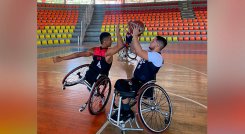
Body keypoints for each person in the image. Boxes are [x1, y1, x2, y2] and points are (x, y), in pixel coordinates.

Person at [111, 25, 168, 121]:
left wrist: (135, 36)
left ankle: (127, 112)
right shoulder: (150, 54)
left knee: (121, 85)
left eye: (153, 41)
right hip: (136, 81)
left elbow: (139, 51)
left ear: (158, 45)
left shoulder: (157, 57)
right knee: (120, 85)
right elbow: (134, 50)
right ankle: (123, 108)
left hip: (142, 84)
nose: (151, 41)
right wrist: (129, 36)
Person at [53, 25, 124, 86]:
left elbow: (77, 54)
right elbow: (120, 45)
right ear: (105, 41)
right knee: (107, 60)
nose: (111, 41)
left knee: (93, 67)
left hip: (89, 74)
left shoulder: (94, 50)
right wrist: (117, 32)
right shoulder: (108, 53)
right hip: (101, 79)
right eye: (110, 39)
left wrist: (62, 58)